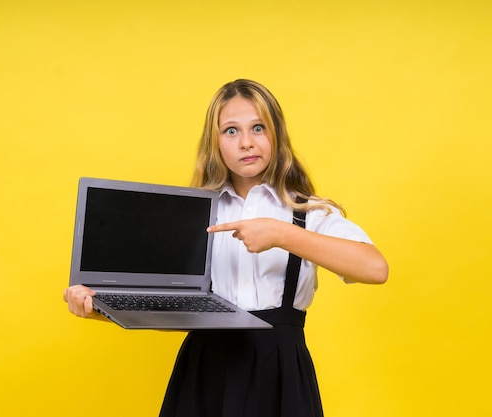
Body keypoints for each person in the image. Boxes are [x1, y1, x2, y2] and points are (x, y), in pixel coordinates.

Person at [63, 79, 388, 417]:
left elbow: (375, 269)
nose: (246, 143)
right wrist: (98, 307)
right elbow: (177, 310)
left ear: (276, 135)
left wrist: (281, 234)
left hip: (280, 376)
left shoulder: (308, 213)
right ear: (215, 143)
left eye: (258, 128)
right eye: (231, 131)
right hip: (205, 375)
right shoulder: (196, 215)